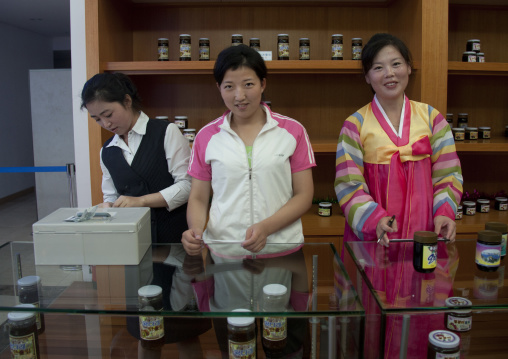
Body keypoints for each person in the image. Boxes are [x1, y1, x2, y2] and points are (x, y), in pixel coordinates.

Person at [182, 44, 316, 258]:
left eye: (248, 84)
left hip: (281, 247)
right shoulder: (206, 136)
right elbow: (198, 197)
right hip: (226, 251)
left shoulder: (293, 131)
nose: (239, 96)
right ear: (219, 88)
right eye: (229, 87)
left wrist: (266, 228)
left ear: (263, 84)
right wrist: (195, 230)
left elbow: (304, 195)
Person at [334, 33, 463, 248]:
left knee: (422, 279)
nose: (390, 74)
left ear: (409, 67)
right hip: (374, 236)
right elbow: (348, 185)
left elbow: (448, 175)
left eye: (396, 64)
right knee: (372, 280)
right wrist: (375, 221)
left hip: (425, 231)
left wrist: (444, 212)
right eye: (378, 68)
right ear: (367, 76)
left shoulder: (432, 119)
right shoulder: (354, 125)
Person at [80, 72, 191, 244]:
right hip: (132, 239)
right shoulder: (107, 151)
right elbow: (111, 196)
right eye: (97, 119)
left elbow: (187, 186)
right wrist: (108, 206)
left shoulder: (166, 132)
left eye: (108, 114)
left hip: (173, 236)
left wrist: (141, 201)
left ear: (127, 101)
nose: (106, 124)